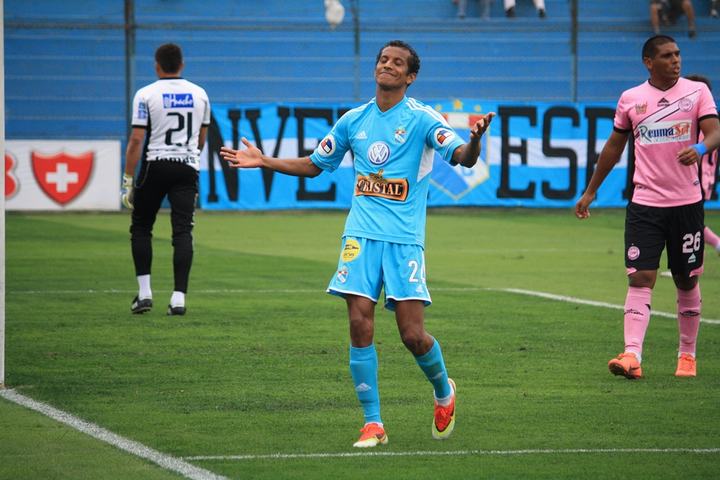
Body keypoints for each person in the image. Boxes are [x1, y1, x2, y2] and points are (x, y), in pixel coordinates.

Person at [221, 40, 494, 447]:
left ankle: (443, 391)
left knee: (412, 335)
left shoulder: (423, 119)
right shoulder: (354, 120)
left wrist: (474, 141)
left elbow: (463, 157)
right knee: (358, 322)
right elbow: (314, 164)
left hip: (404, 241)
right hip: (360, 236)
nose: (388, 65)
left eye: (397, 63)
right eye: (383, 59)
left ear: (410, 76)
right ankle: (373, 423)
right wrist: (265, 161)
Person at [575, 35, 720, 379]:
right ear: (648, 62)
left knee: (686, 279)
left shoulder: (697, 92)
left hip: (686, 204)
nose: (676, 60)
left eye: (678, 54)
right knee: (641, 277)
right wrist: (591, 191)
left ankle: (687, 355)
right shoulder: (631, 99)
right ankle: (632, 355)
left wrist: (700, 149)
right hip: (645, 204)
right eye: (668, 55)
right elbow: (614, 147)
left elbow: (715, 132)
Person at [121, 43, 211, 316]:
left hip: (156, 165)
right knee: (182, 232)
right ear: (182, 64)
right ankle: (179, 298)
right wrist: (190, 159)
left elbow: (137, 139)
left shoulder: (146, 94)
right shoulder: (200, 94)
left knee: (141, 227)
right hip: (186, 167)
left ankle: (145, 294)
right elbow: (201, 139)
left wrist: (128, 179)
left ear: (157, 66)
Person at [686, 74, 720, 255]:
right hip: (707, 180)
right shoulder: (713, 123)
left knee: (690, 224)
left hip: (694, 181)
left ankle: (715, 244)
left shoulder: (696, 123)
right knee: (691, 224)